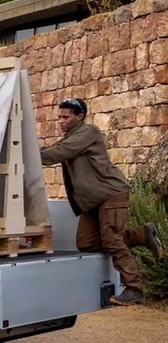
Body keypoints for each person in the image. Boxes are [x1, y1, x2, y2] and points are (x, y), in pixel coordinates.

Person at [40, 97, 163, 305]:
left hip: (110, 193)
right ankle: (142, 235)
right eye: (59, 117)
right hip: (92, 201)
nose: (60, 121)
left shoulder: (88, 132)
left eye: (65, 117)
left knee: (111, 240)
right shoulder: (72, 136)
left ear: (80, 116)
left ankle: (135, 288)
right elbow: (52, 149)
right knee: (86, 243)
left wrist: (28, 154)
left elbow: (58, 153)